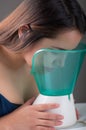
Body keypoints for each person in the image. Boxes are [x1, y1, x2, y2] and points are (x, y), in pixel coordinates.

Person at [0, 0, 86, 130]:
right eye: (56, 51)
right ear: (24, 32)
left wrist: (56, 114)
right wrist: (7, 124)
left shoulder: (40, 62)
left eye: (67, 54)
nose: (61, 64)